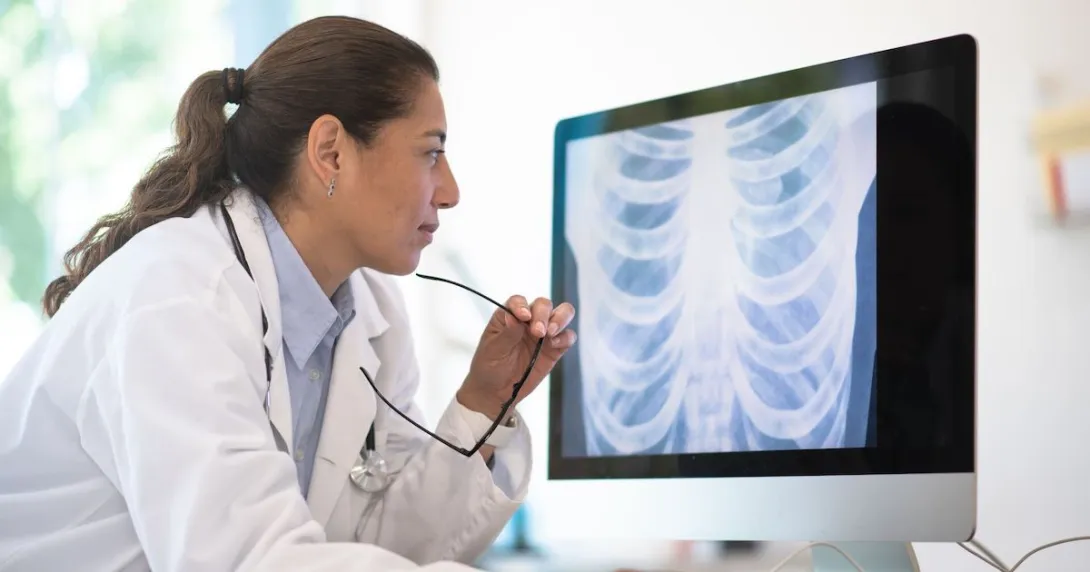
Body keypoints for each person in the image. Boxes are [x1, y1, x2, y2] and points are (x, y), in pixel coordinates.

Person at [0, 16, 575, 572]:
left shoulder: (369, 314)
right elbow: (247, 561)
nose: (450, 191)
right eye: (430, 152)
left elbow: (385, 547)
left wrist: (484, 400)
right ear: (330, 151)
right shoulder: (179, 295)